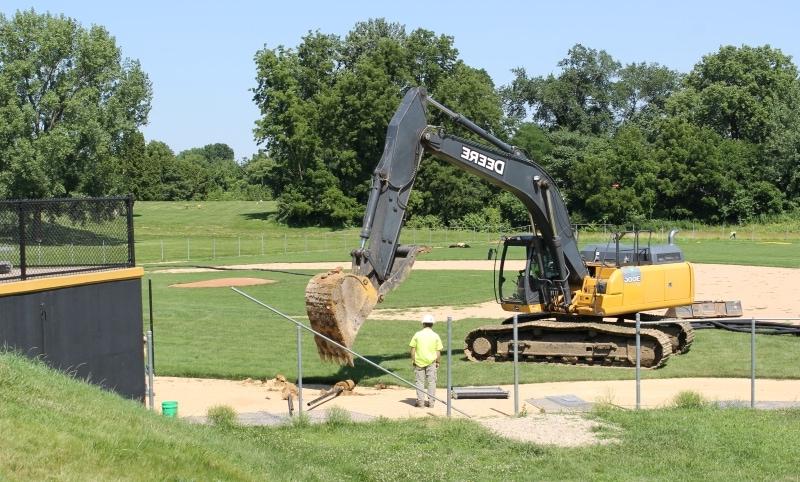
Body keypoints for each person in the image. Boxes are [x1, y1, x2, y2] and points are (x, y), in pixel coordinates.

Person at [409, 313, 443, 408]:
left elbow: (412, 349)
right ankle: (431, 402)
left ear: (423, 324)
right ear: (432, 324)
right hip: (431, 362)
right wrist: (438, 362)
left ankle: (420, 403)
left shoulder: (417, 334)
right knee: (432, 382)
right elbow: (438, 351)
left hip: (419, 362)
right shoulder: (435, 336)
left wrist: (413, 360)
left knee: (420, 382)